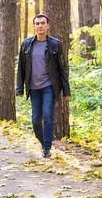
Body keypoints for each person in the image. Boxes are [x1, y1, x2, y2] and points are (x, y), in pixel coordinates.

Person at [16, 14, 70, 158]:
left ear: (48, 25)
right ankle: (42, 141)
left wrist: (66, 90)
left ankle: (47, 147)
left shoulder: (55, 44)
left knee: (48, 115)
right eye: (37, 23)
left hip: (49, 86)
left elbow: (62, 68)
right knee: (35, 119)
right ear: (34, 26)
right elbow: (21, 67)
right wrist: (19, 88)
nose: (40, 26)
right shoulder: (26, 44)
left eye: (42, 23)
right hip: (33, 87)